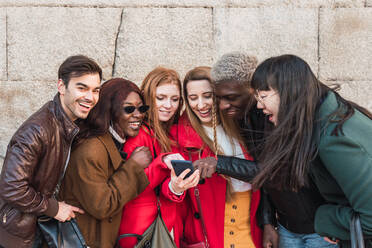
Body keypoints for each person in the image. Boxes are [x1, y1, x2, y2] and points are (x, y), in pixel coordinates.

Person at [194, 52, 338, 248]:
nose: (222, 105)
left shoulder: (282, 116)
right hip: (287, 227)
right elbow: (266, 183)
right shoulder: (244, 119)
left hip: (321, 231)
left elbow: (275, 170)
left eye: (231, 97)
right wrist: (268, 222)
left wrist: (220, 163)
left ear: (252, 89)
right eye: (218, 98)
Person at [250, 54, 372, 248]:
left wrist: (326, 220)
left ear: (288, 92)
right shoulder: (325, 117)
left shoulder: (334, 138)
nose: (259, 105)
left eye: (263, 96)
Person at [0, 55, 102, 248]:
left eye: (95, 90)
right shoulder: (36, 130)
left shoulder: (70, 123)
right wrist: (54, 208)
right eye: (82, 88)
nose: (90, 97)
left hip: (42, 227)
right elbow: (12, 187)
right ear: (61, 87)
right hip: (21, 235)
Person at [173, 66, 262, 248]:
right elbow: (177, 198)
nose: (201, 104)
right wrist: (183, 241)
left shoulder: (242, 125)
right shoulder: (179, 135)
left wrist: (268, 223)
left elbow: (264, 175)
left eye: (207, 96)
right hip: (210, 231)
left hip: (250, 227)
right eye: (193, 98)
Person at [58, 78, 152, 248]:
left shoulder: (115, 141)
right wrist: (134, 167)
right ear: (110, 110)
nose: (138, 114)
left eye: (142, 108)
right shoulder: (91, 149)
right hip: (83, 241)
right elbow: (102, 205)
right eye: (129, 109)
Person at [118, 67, 200, 248]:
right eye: (160, 98)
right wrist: (161, 163)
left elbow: (167, 190)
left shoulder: (168, 133)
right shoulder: (138, 134)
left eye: (175, 99)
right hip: (142, 230)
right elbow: (130, 186)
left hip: (167, 226)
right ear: (148, 98)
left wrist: (176, 187)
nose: (168, 105)